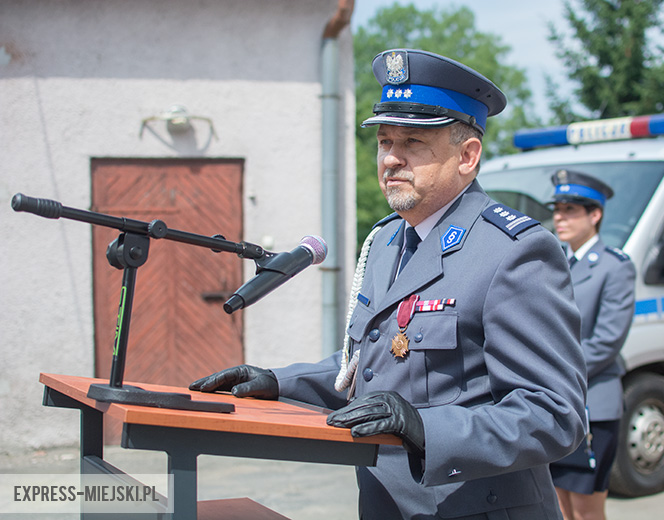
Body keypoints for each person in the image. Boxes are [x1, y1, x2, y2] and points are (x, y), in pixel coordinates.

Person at [190, 48, 587, 520]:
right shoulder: (386, 243)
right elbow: (373, 369)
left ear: (467, 155)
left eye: (413, 143)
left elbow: (556, 415)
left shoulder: (512, 251)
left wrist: (425, 427)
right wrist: (278, 383)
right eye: (384, 141)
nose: (391, 159)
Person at [547, 170, 636, 520]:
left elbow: (605, 343)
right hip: (557, 404)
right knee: (557, 505)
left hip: (591, 407)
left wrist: (551, 373)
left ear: (594, 215)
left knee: (586, 509)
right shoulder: (556, 261)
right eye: (557, 209)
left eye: (570, 210)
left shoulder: (615, 268)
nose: (559, 217)